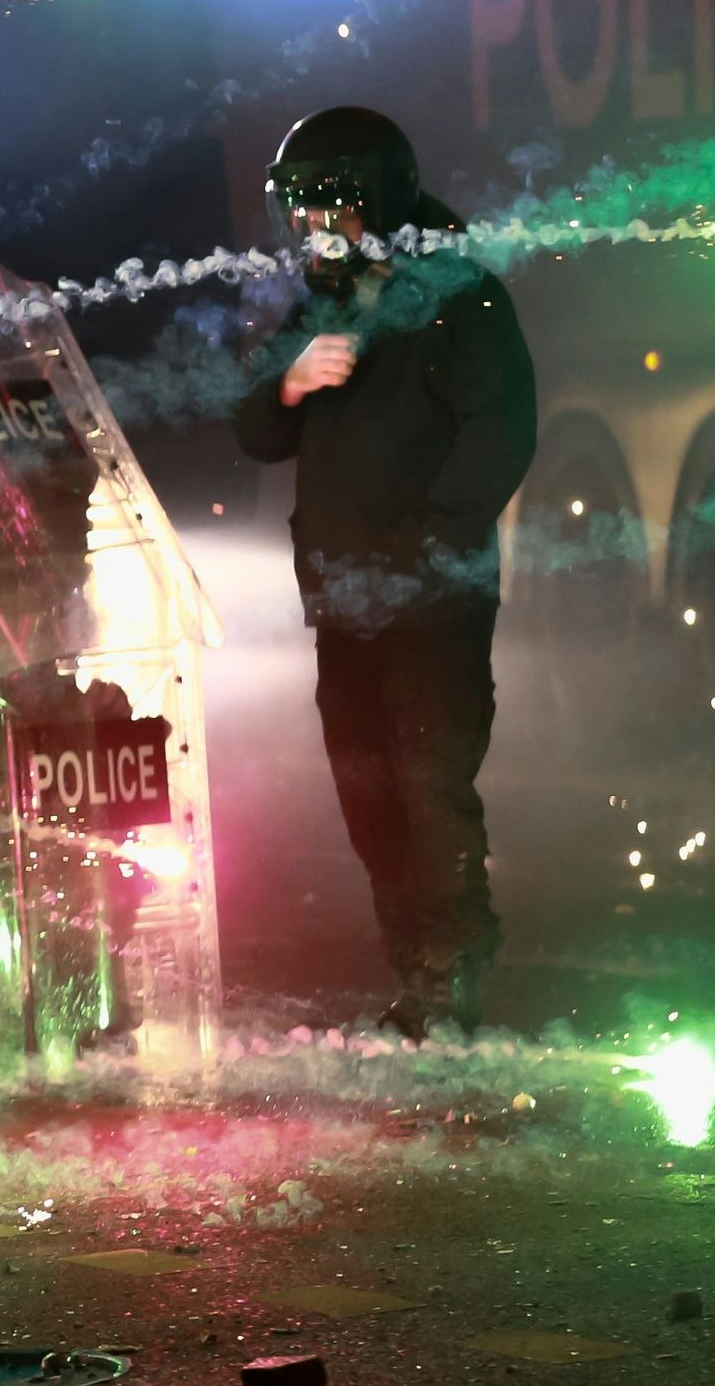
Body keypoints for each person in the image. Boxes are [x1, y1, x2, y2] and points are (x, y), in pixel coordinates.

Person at [230, 108, 536, 1035]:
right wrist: (289, 383)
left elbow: (503, 430)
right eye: (298, 214)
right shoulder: (325, 298)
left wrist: (430, 545)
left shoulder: (458, 292)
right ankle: (413, 972)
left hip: (430, 597)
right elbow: (255, 432)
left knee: (428, 784)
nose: (309, 233)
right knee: (366, 791)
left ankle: (451, 977)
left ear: (376, 200)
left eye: (327, 211)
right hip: (343, 596)